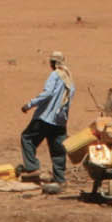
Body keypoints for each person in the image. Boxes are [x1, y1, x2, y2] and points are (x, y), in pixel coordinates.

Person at [19, 51, 74, 192]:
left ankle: (32, 169)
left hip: (46, 117)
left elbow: (48, 93)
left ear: (53, 63)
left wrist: (29, 104)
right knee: (58, 150)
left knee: (27, 138)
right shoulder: (69, 77)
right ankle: (60, 180)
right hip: (60, 121)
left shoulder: (55, 75)